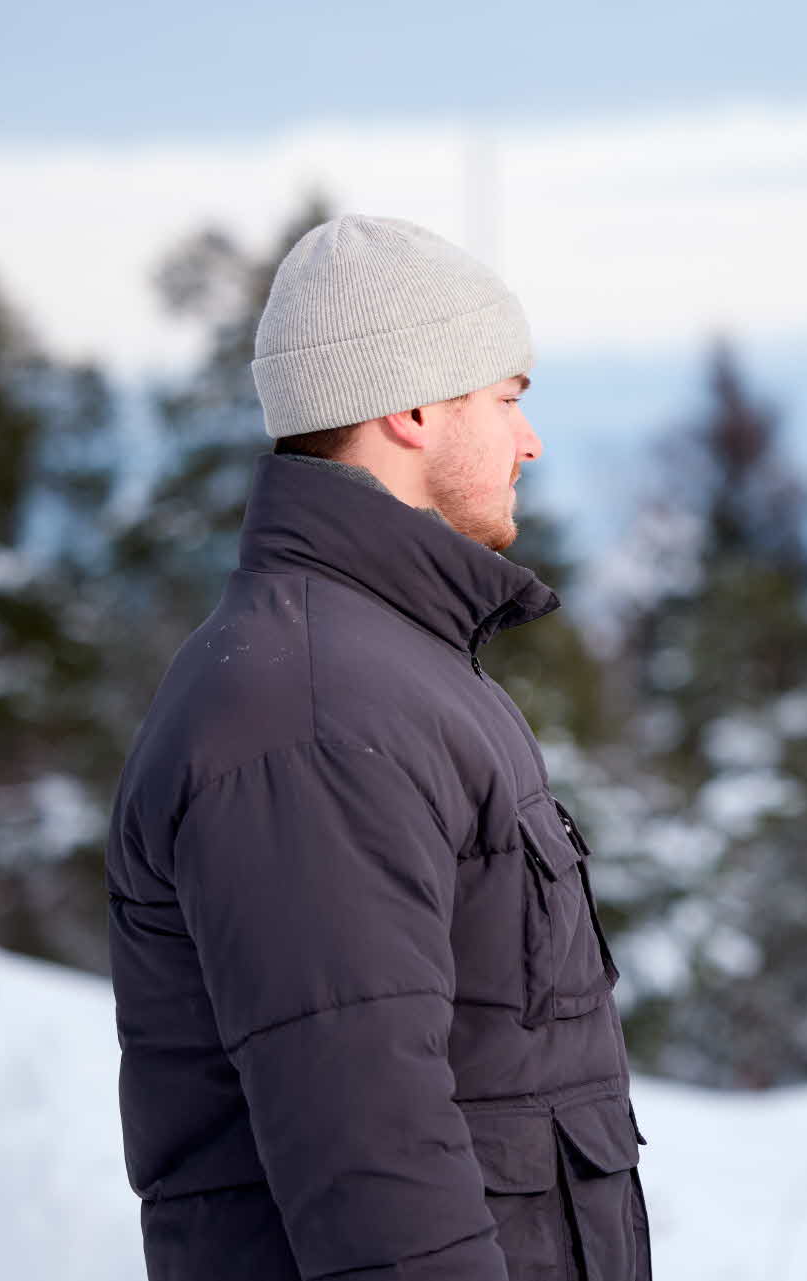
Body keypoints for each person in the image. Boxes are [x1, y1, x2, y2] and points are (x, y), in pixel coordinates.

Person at [105, 214, 651, 1280]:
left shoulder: (387, 672)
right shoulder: (311, 715)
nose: (529, 442)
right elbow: (372, 1157)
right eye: (506, 399)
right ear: (408, 408)